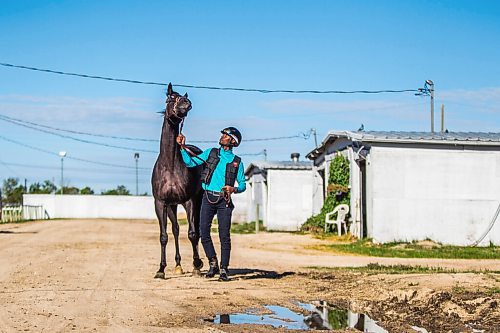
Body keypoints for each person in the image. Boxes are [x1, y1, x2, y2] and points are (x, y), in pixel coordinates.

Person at [176, 127, 246, 281]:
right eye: (222, 134)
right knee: (203, 232)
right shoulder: (211, 153)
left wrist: (233, 188)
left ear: (232, 141)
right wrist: (182, 147)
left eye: (225, 135)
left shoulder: (237, 163)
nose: (222, 136)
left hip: (224, 201)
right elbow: (190, 162)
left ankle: (224, 269)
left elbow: (243, 185)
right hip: (207, 197)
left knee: (224, 236)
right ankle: (212, 262)